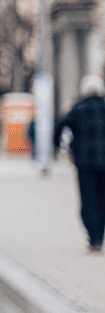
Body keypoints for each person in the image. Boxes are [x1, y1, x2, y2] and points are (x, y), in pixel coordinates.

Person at [54, 75, 105, 253]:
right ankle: (100, 233)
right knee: (102, 198)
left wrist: (58, 146)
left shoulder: (78, 108)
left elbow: (59, 125)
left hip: (84, 162)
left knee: (88, 198)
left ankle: (94, 237)